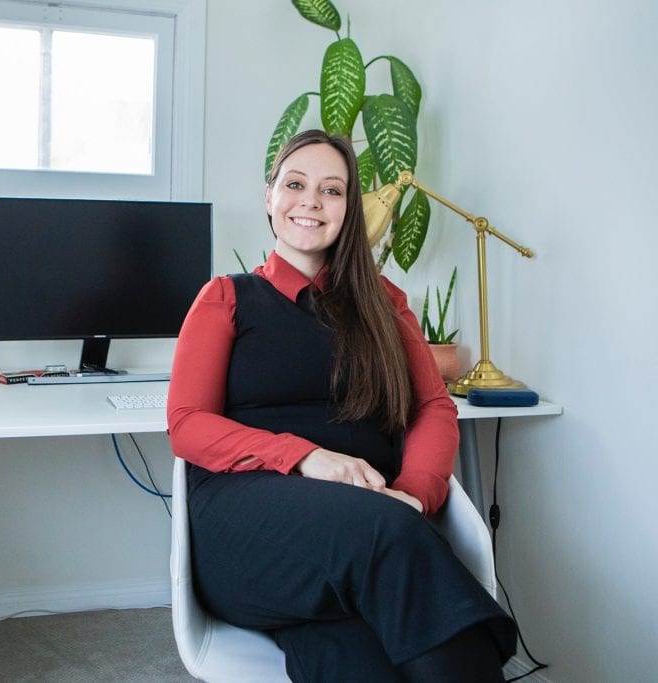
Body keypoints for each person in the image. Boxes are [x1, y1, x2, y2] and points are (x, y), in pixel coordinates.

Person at [166, 129, 517, 682]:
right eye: (296, 184)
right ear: (269, 196)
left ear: (350, 209)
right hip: (248, 522)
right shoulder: (225, 299)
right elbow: (186, 426)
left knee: (352, 647)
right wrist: (305, 457)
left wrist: (412, 495)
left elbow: (431, 407)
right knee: (387, 539)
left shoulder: (384, 303)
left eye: (332, 190)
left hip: (370, 525)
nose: (311, 200)